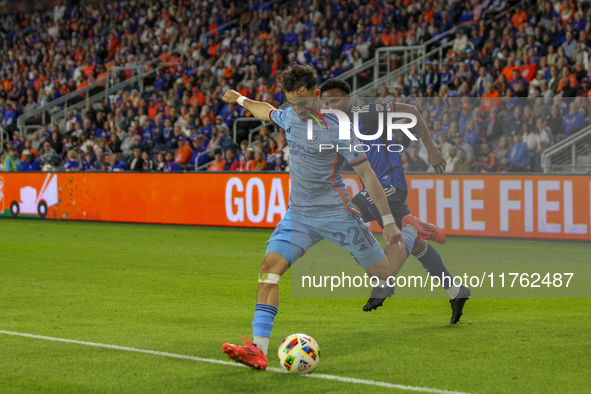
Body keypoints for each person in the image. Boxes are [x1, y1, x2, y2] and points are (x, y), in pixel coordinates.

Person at [221, 65, 435, 371]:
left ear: (317, 94)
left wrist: (389, 221)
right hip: (300, 215)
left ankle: (411, 229)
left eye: (305, 103)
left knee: (385, 275)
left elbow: (367, 174)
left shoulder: (337, 127)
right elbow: (264, 110)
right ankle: (258, 351)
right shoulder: (291, 114)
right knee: (268, 271)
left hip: (338, 214)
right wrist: (240, 98)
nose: (299, 110)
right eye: (293, 103)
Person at [320, 79, 470, 317]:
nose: (331, 107)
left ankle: (384, 279)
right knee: (416, 246)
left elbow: (411, 111)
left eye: (335, 100)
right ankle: (456, 290)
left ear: (348, 99)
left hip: (389, 185)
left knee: (348, 220)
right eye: (326, 103)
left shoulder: (368, 114)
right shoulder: (335, 128)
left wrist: (430, 148)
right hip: (378, 194)